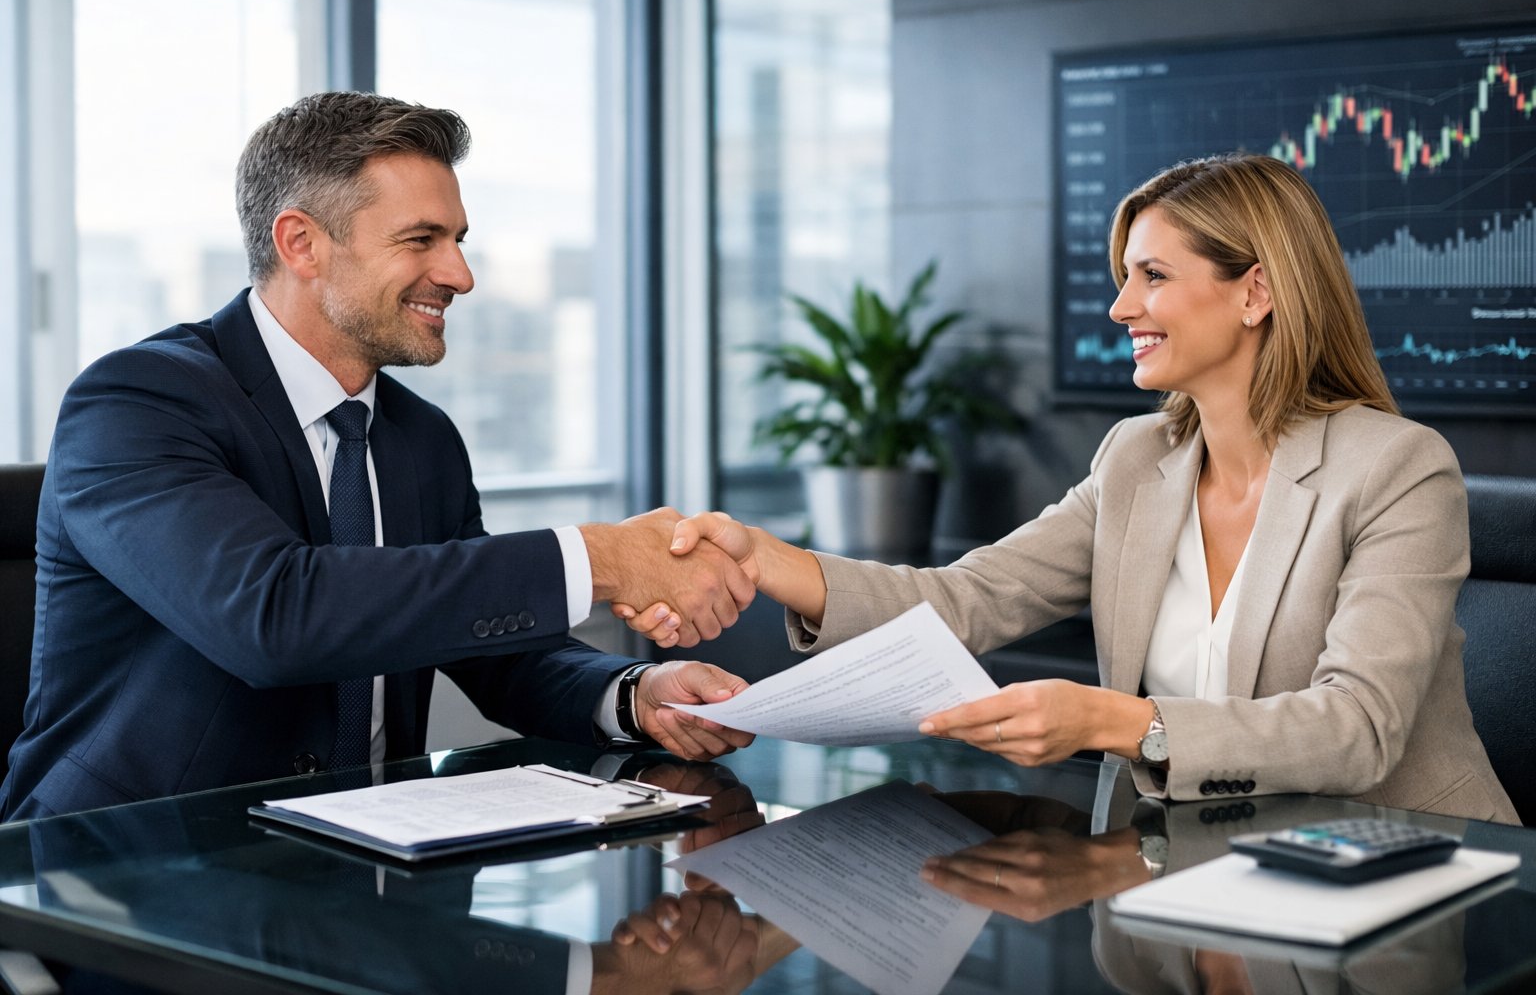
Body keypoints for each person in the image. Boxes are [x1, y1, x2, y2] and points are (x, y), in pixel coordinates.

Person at [619, 152, 1519, 824]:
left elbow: (1356, 728)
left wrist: (1117, 722)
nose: (1122, 307)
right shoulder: (1135, 460)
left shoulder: (1398, 468)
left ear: (1256, 293)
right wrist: (769, 559)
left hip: (1419, 880)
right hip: (1199, 869)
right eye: (1123, 276)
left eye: (1153, 276)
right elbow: (968, 600)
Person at [0, 91, 756, 823]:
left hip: (363, 876)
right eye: (421, 240)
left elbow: (491, 648)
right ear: (301, 244)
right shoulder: (137, 401)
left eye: (458, 240)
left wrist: (635, 693)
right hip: (126, 882)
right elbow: (272, 615)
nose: (460, 275)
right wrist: (602, 558)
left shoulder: (421, 437)